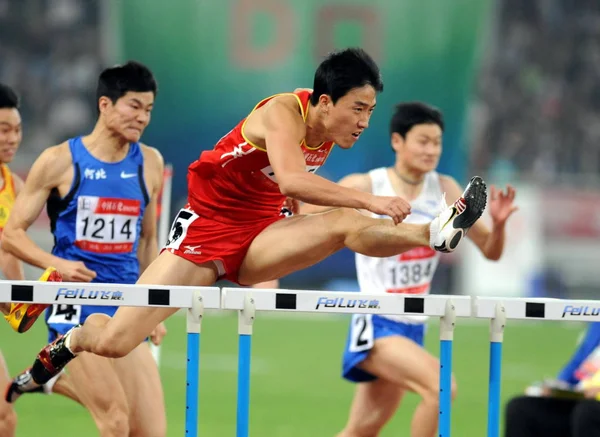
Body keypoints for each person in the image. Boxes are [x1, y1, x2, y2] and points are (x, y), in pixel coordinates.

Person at [7, 48, 488, 399]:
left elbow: (294, 200)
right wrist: (374, 201)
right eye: (357, 109)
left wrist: (344, 217)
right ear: (324, 102)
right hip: (205, 233)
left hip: (261, 232)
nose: (364, 122)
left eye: (371, 112)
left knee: (343, 222)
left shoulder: (330, 132)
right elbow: (294, 183)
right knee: (114, 341)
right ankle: (69, 341)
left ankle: (435, 232)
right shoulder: (282, 112)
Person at [301, 102, 517, 437]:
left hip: (414, 325)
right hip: (375, 320)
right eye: (423, 141)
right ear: (397, 141)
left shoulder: (445, 189)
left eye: (437, 142)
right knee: (442, 387)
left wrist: (499, 226)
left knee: (361, 430)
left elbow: (490, 251)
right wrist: (285, 193)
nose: (432, 150)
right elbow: (307, 205)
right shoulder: (368, 185)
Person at [3, 62, 168, 437]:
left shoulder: (150, 164)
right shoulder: (60, 161)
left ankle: (49, 376)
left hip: (126, 304)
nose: (142, 118)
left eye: (149, 110)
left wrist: (154, 310)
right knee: (114, 421)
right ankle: (58, 365)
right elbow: (12, 234)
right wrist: (57, 263)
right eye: (134, 106)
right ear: (105, 105)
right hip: (73, 303)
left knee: (151, 432)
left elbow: (146, 242)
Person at [0, 83, 64, 437]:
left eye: (18, 130)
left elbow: (11, 252)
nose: (13, 138)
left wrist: (19, 303)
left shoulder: (15, 185)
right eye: (4, 130)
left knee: (4, 418)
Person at [504, 323, 600, 437]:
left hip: (590, 407)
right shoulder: (596, 322)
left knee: (587, 412)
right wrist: (557, 389)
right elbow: (579, 361)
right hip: (580, 399)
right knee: (520, 408)